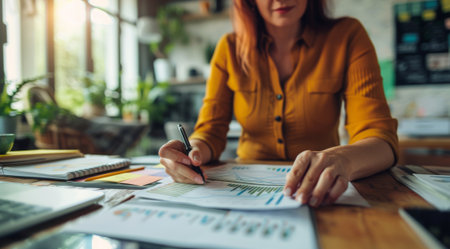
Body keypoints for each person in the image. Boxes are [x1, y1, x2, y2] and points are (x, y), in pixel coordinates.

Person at [159, 0, 398, 207]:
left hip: (322, 191)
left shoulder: (347, 36)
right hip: (244, 192)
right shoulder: (229, 48)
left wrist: (343, 159)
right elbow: (210, 131)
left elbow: (381, 141)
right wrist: (193, 153)